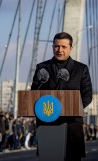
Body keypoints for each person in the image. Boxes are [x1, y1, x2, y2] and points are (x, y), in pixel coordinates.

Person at [31, 32, 93, 161]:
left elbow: (87, 94)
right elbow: (34, 93)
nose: (59, 50)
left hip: (72, 123)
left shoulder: (81, 69)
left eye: (63, 47)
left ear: (71, 48)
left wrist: (73, 107)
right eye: (56, 46)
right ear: (53, 47)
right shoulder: (42, 68)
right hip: (48, 122)